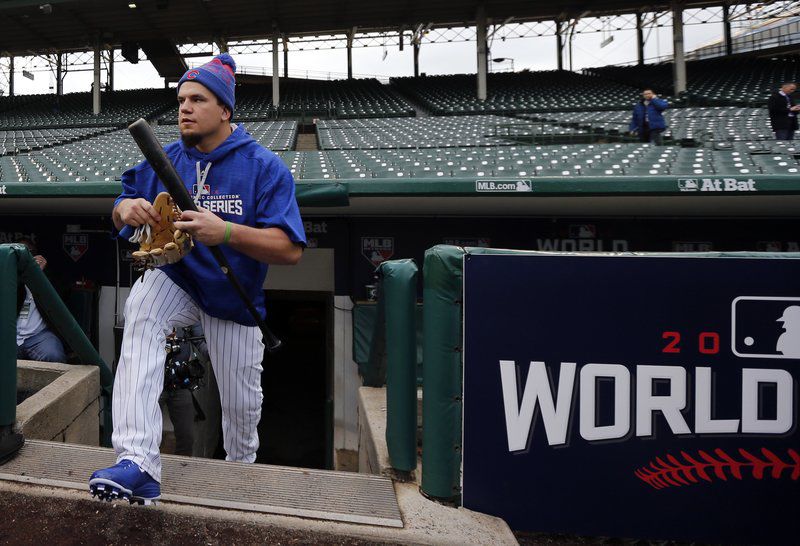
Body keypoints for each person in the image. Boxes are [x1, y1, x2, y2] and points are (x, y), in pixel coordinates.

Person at [89, 53, 306, 505]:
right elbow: (121, 204)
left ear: (225, 110)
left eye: (198, 99)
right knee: (141, 315)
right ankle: (138, 461)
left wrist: (224, 231)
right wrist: (125, 209)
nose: (184, 107)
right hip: (179, 278)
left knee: (242, 407)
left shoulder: (263, 166)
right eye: (181, 99)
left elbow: (290, 249)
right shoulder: (166, 156)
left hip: (233, 296)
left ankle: (241, 472)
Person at [16, 238, 67, 363]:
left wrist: (40, 275)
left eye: (29, 252)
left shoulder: (46, 277)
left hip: (39, 335)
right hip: (10, 335)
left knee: (54, 356)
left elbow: (60, 299)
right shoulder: (9, 276)